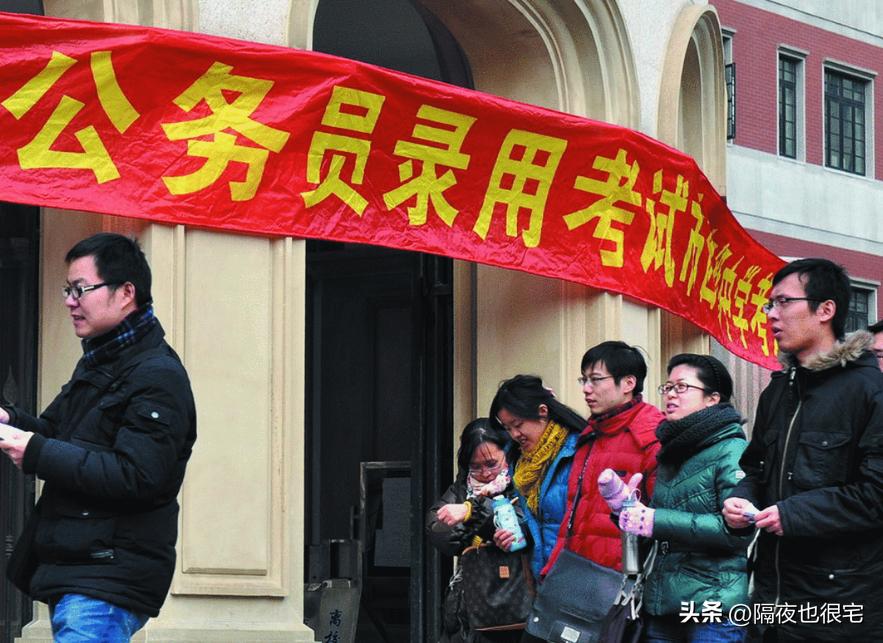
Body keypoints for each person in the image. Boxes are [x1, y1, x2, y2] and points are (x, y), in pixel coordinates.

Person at [0, 233, 197, 642]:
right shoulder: (101, 361)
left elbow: (139, 476)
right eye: (67, 290)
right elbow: (57, 434)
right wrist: (11, 421)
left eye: (80, 289)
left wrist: (36, 451)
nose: (70, 301)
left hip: (106, 577)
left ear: (126, 293)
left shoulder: (156, 376)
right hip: (80, 570)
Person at [722, 257, 883, 641]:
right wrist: (739, 499)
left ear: (826, 309)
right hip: (772, 594)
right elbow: (757, 468)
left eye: (783, 302)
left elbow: (876, 493)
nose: (771, 315)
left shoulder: (868, 391)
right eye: (769, 305)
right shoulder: (778, 391)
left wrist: (793, 514)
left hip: (838, 602)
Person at [601, 353, 751, 642]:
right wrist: (627, 511)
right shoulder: (672, 451)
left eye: (682, 387)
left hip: (712, 610)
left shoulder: (732, 449)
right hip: (662, 605)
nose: (670, 395)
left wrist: (655, 519)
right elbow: (660, 534)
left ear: (712, 398)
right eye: (667, 387)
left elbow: (738, 532)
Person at [541, 341, 662, 578]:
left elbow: (659, 522)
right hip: (577, 575)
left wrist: (631, 575)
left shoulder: (651, 436)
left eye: (595, 380)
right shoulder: (590, 435)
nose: (586, 389)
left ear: (629, 383)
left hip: (620, 584)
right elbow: (572, 517)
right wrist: (552, 570)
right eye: (583, 380)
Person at [426, 418, 523, 643]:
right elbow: (437, 530)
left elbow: (519, 526)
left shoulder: (521, 482)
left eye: (492, 464)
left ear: (507, 454)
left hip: (513, 598)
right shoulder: (462, 488)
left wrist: (471, 512)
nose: (485, 473)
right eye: (475, 466)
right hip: (467, 603)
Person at [488, 375, 585, 580]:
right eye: (508, 428)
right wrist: (518, 533)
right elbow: (541, 522)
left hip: (580, 578)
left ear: (543, 411)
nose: (514, 434)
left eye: (518, 424)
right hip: (544, 578)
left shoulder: (578, 451)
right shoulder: (520, 464)